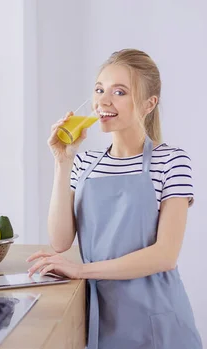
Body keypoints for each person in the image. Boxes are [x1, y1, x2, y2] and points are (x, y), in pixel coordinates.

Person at [26, 49, 203, 349]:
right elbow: (60, 240)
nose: (103, 101)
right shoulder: (84, 164)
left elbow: (165, 255)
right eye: (99, 90)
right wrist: (62, 162)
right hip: (101, 318)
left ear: (149, 104)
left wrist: (82, 270)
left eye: (119, 92)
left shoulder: (170, 161)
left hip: (157, 324)